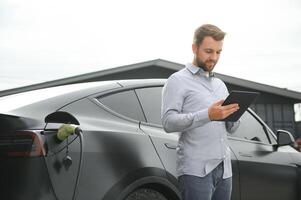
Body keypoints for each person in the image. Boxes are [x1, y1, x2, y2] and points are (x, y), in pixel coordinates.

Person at [161, 24, 240, 200]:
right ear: (194, 48)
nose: (214, 57)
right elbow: (168, 122)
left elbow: (231, 128)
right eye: (209, 51)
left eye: (218, 52)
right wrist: (208, 115)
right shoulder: (177, 80)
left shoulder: (220, 85)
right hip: (196, 171)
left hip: (225, 171)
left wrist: (234, 115)